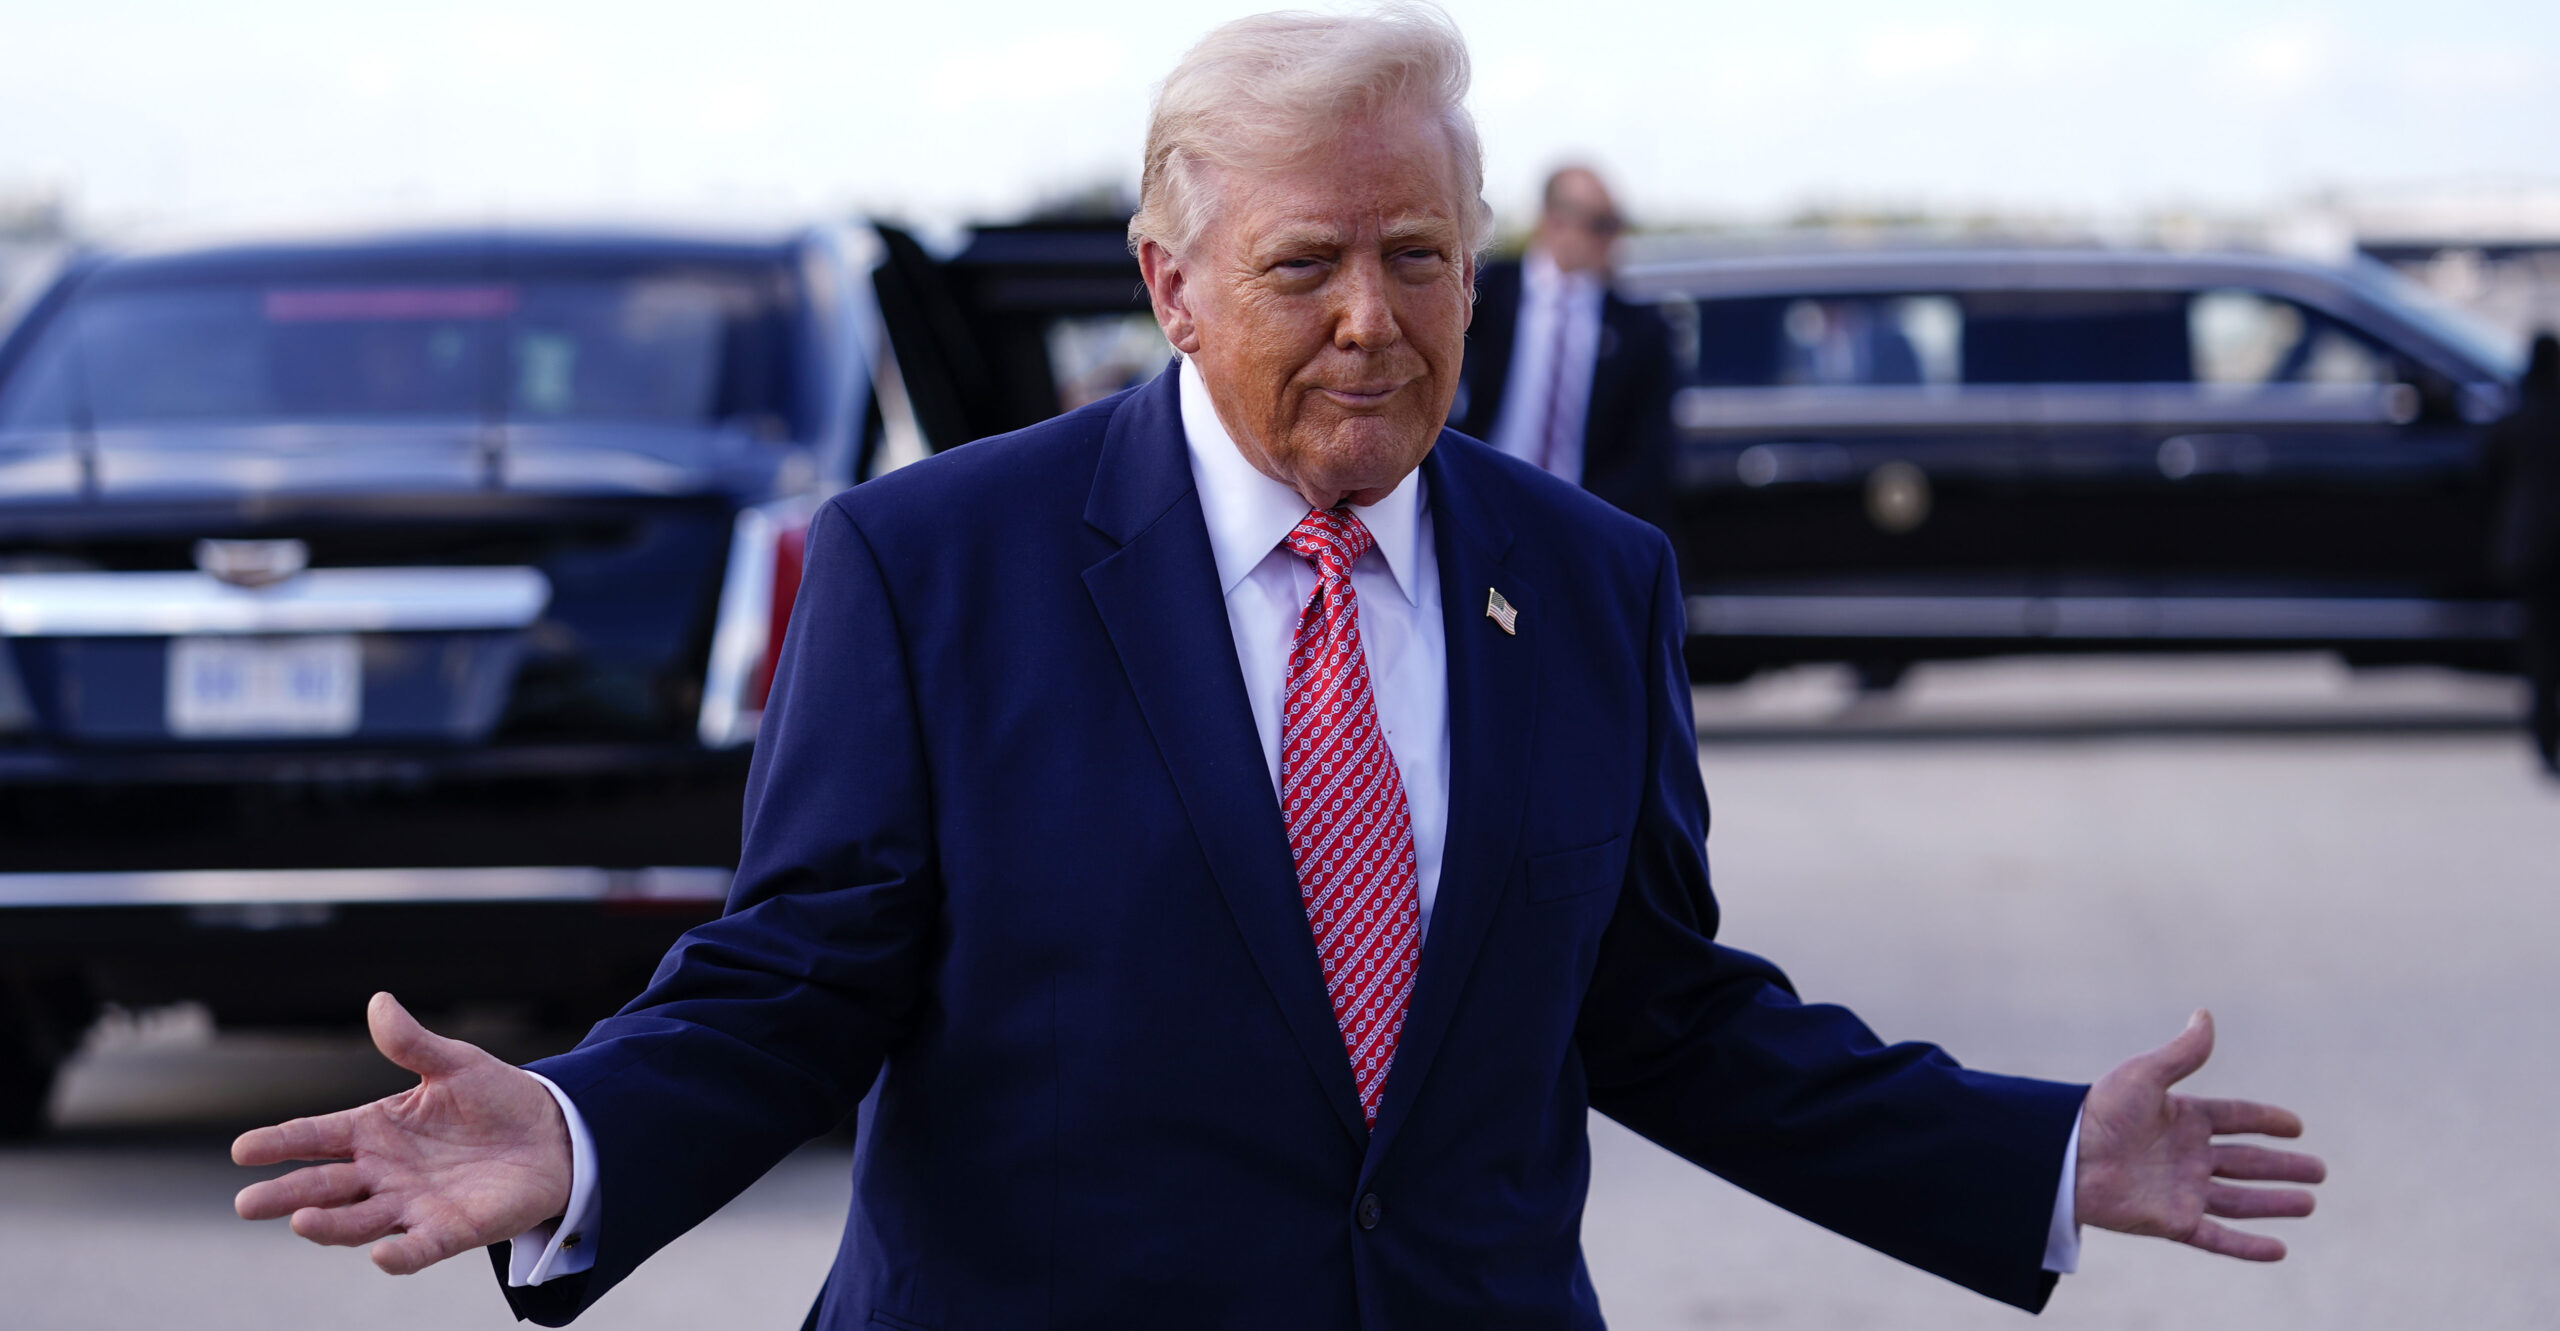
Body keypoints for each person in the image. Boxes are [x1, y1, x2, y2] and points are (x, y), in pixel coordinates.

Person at [231, 8, 2323, 1327]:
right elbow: (798, 981)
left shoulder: (1584, 580)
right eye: (1300, 263)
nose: (1366, 317)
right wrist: (583, 1130)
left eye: (1416, 256)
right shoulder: (929, 562)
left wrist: (2028, 1150)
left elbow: (1664, 1010)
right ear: (1168, 281)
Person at [1450, 164, 1677, 526]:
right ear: (1554, 223)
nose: (1614, 239)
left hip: (1580, 519)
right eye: (1601, 225)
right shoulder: (1483, 295)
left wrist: (1581, 517)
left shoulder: (1641, 329)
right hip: (1481, 505)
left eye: (1617, 225)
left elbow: (1649, 454)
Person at [2485, 332, 2560, 775]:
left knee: (2540, 647)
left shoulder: (2515, 419)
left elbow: (2487, 481)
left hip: (2531, 550)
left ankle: (2545, 735)